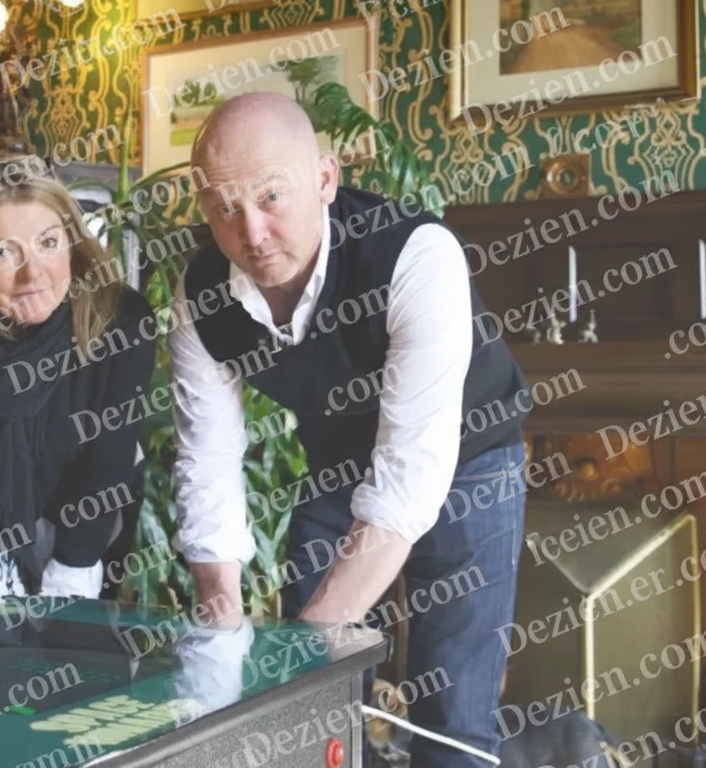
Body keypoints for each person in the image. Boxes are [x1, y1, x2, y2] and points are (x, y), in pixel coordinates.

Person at [169, 92, 529, 767]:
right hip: (339, 466)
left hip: (469, 461)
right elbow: (206, 461)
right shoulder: (201, 294)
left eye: (271, 197)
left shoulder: (416, 254)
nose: (252, 233)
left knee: (452, 713)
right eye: (224, 208)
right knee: (316, 715)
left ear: (326, 178)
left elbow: (408, 478)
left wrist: (302, 656)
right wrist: (221, 627)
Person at [0, 153, 155, 602]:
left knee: (76, 638)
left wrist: (71, 576)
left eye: (48, 242)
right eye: (1, 252)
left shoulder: (123, 317)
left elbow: (108, 461)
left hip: (90, 518)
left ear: (71, 241)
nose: (33, 273)